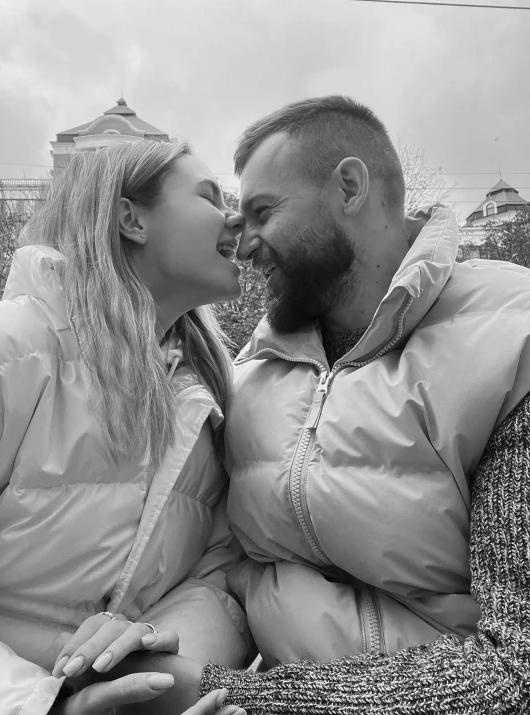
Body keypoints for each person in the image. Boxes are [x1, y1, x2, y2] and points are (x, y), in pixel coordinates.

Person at [189, 95, 530, 711]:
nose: (245, 245)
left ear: (349, 186)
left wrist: (239, 696)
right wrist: (157, 647)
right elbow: (224, 570)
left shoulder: (509, 342)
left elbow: (515, 670)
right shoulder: (252, 370)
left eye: (264, 212)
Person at [0, 139, 250, 715]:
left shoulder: (205, 396)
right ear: (130, 219)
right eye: (209, 196)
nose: (235, 217)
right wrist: (42, 705)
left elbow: (217, 576)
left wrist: (151, 668)